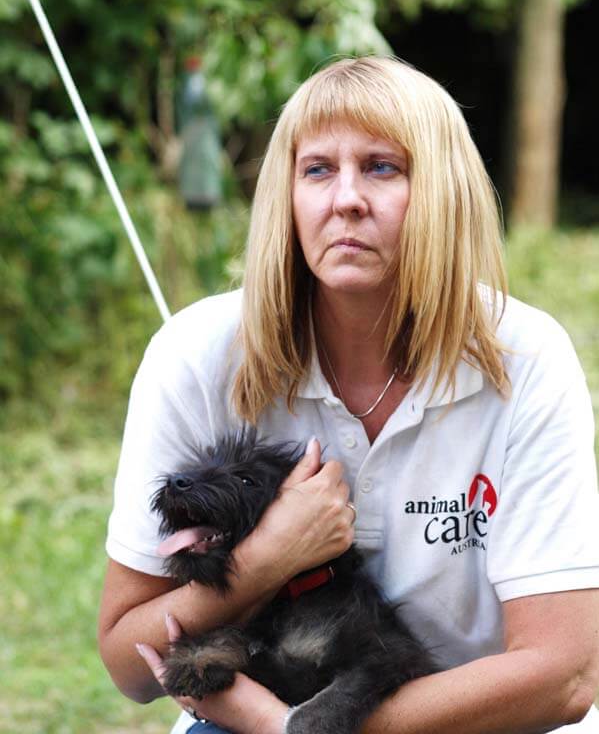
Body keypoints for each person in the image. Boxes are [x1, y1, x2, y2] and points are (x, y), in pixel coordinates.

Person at [98, 56, 599, 734]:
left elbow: (564, 674)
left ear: (444, 193)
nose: (346, 199)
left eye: (382, 167)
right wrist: (265, 560)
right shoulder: (197, 354)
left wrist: (289, 726)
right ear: (287, 196)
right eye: (317, 170)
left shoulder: (525, 358)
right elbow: (127, 664)